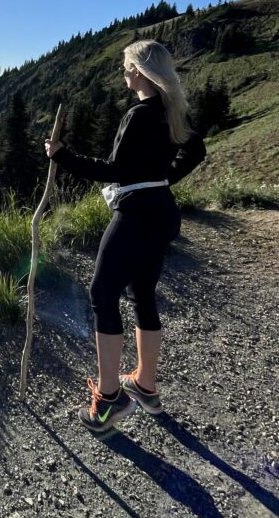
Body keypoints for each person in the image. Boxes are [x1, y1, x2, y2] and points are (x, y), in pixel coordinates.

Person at [44, 39, 206, 433]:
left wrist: (61, 155)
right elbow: (196, 149)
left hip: (135, 214)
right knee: (142, 293)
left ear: (139, 70)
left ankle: (110, 398)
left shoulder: (138, 115)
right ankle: (146, 386)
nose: (123, 73)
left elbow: (114, 170)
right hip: (162, 212)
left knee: (102, 293)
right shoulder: (170, 111)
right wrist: (164, 179)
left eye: (126, 66)